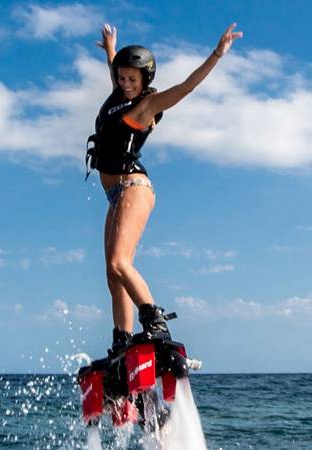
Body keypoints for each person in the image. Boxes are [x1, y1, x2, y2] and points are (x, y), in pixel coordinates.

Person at [89, 23, 243, 358]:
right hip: (114, 196)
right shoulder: (118, 95)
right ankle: (121, 343)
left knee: (119, 262)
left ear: (145, 80)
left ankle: (155, 322)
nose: (125, 84)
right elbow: (118, 71)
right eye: (121, 78)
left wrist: (217, 54)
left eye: (133, 79)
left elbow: (187, 87)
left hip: (133, 187)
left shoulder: (146, 106)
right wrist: (111, 51)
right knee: (112, 275)